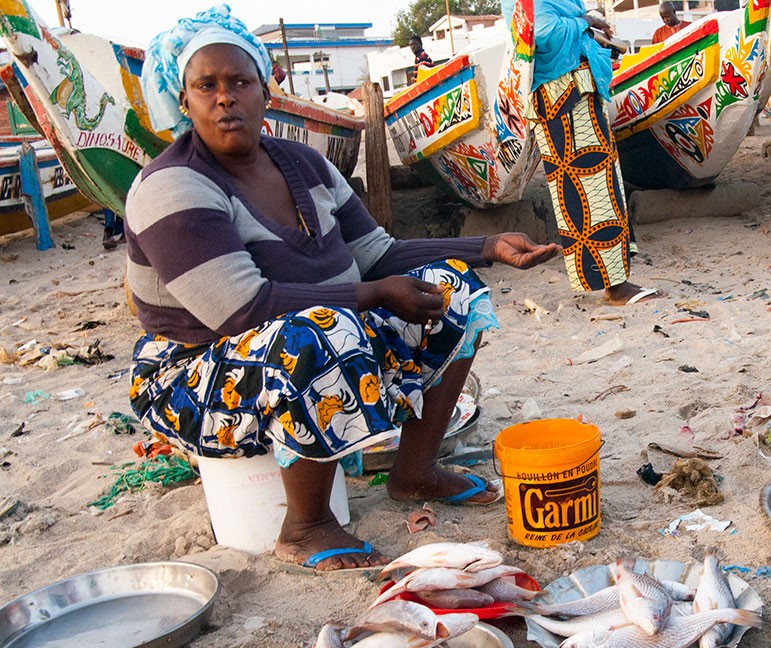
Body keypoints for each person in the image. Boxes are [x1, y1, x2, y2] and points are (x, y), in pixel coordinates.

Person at [130, 6, 561, 572]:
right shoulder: (172, 185)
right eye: (205, 85)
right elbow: (244, 309)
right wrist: (376, 294)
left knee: (453, 292)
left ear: (266, 89)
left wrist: (483, 248)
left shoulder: (303, 163)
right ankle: (305, 526)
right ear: (182, 101)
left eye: (239, 81)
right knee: (318, 333)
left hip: (299, 346)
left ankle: (415, 472)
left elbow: (378, 254)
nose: (225, 97)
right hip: (191, 374)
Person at [501, 0, 663, 305]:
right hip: (563, 99)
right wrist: (584, 22)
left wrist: (587, 27)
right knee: (590, 195)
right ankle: (615, 287)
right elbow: (544, 32)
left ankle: (616, 281)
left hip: (571, 95)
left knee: (601, 190)